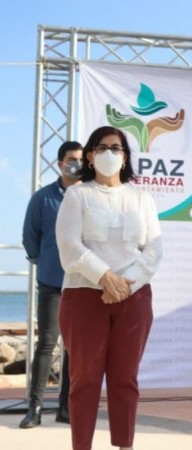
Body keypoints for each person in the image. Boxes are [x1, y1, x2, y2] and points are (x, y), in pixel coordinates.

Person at [56, 126, 163, 450]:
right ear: (90, 155)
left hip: (133, 297)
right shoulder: (78, 194)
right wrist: (105, 277)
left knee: (124, 379)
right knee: (85, 380)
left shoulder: (141, 197)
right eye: (103, 148)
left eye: (117, 148)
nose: (110, 154)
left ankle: (125, 445)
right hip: (84, 296)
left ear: (125, 156)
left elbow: (153, 250)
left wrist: (123, 286)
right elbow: (69, 246)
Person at [20, 141, 83, 428]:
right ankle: (34, 407)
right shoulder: (42, 198)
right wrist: (44, 261)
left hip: (81, 284)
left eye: (81, 160)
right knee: (46, 344)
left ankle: (66, 408)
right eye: (71, 159)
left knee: (73, 348)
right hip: (51, 283)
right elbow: (30, 237)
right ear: (60, 163)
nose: (77, 164)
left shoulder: (87, 196)